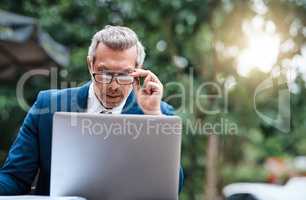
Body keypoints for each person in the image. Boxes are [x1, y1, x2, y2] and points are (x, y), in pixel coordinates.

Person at [0, 25, 184, 195]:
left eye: (124, 75)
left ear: (139, 71)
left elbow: (172, 188)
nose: (113, 86)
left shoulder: (160, 113)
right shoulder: (48, 106)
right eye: (104, 73)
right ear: (90, 65)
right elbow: (15, 177)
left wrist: (153, 116)